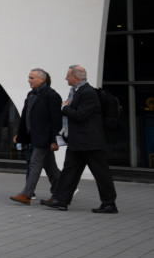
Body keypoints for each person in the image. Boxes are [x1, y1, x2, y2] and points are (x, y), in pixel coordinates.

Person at [46, 65, 117, 213]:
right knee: (69, 172)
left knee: (101, 174)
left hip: (91, 142)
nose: (66, 78)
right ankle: (61, 200)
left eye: (68, 76)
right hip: (77, 141)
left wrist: (64, 108)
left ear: (75, 77)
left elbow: (81, 115)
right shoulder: (76, 91)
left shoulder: (88, 92)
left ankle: (109, 204)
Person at [9, 68, 62, 205]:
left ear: (41, 79)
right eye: (29, 77)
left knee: (34, 164)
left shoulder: (52, 96)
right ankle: (61, 193)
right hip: (35, 137)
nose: (29, 80)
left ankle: (26, 195)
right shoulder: (31, 94)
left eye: (32, 78)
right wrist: (20, 135)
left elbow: (56, 120)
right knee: (51, 168)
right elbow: (27, 117)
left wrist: (55, 140)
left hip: (44, 139)